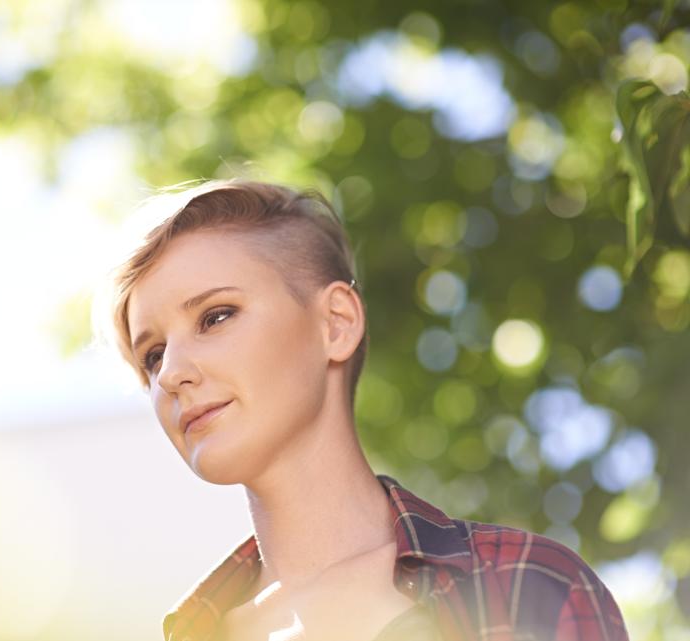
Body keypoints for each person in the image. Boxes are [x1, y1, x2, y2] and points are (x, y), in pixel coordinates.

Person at [101, 180, 629, 641]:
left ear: (335, 323)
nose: (171, 373)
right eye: (152, 356)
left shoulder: (527, 584)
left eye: (216, 317)